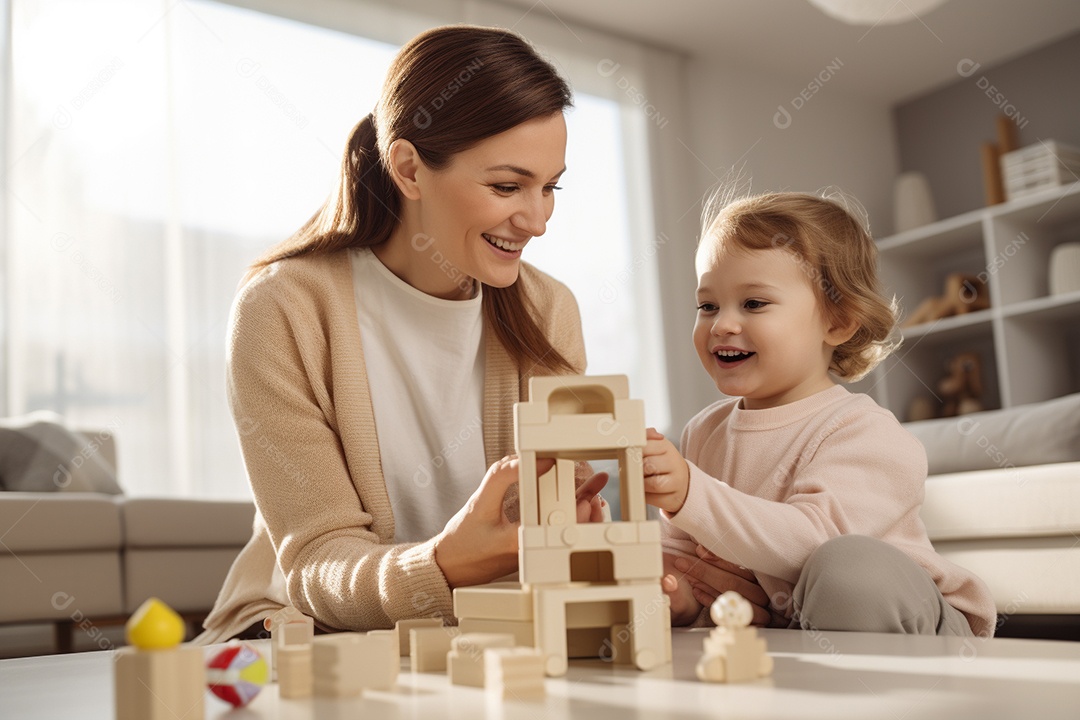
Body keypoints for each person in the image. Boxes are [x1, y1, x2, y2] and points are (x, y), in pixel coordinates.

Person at [197, 25, 609, 644]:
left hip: (481, 627)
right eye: (506, 186)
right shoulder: (283, 307)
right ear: (410, 168)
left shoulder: (549, 310)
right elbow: (316, 562)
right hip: (297, 632)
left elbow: (541, 537)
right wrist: (443, 568)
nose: (537, 221)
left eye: (550, 187)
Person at [642, 190, 997, 637]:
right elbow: (686, 559)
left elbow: (811, 543)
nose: (722, 324)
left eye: (753, 304)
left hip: (916, 630)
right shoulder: (703, 431)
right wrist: (678, 595)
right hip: (797, 637)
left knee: (847, 567)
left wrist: (690, 493)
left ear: (838, 322)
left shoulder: (865, 432)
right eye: (707, 305)